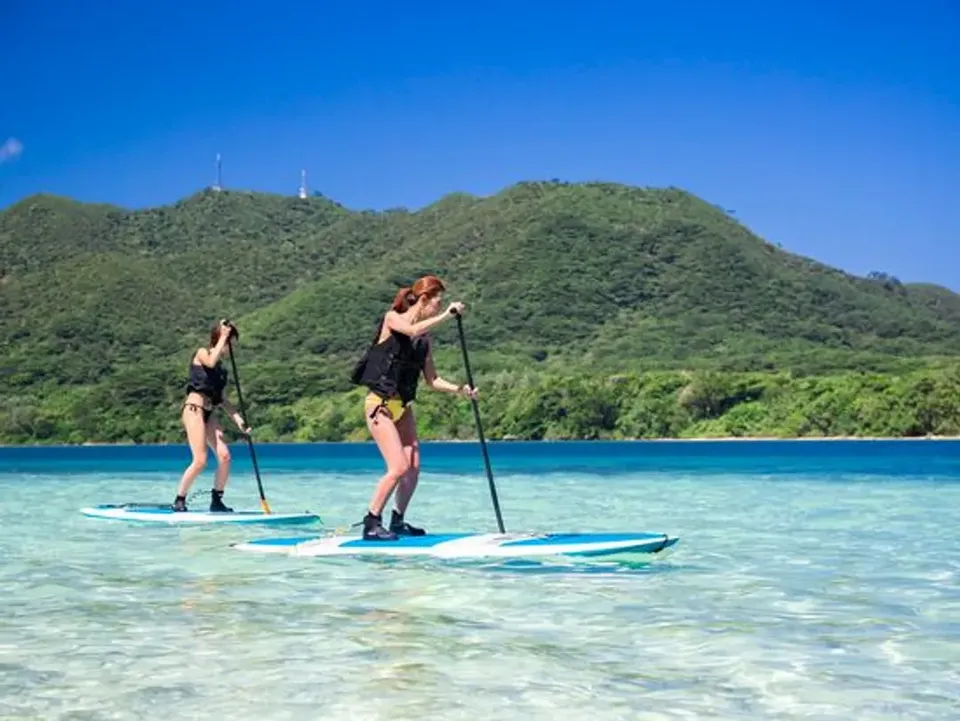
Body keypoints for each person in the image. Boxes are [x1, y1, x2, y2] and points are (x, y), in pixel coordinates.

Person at [351, 275, 478, 540]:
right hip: (380, 405)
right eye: (437, 302)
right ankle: (371, 522)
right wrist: (447, 315)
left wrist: (460, 389)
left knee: (413, 466)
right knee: (397, 467)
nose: (439, 306)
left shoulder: (425, 340)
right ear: (424, 300)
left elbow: (432, 380)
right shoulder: (393, 319)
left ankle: (398, 521)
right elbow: (410, 330)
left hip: (403, 407)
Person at [173, 319, 251, 512]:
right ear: (220, 339)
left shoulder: (221, 372)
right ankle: (180, 499)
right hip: (194, 409)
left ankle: (217, 500)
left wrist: (239, 420)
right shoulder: (202, 353)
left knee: (225, 456)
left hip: (209, 412)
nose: (231, 347)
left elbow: (223, 400)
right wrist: (223, 336)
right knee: (200, 460)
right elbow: (210, 361)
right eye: (230, 343)